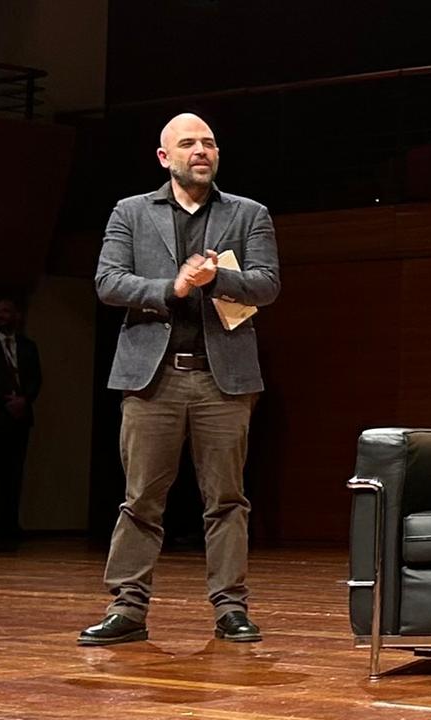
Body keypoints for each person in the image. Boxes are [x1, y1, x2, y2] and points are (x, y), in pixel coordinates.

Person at [79, 113, 280, 646]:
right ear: (164, 157)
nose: (201, 151)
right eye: (188, 143)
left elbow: (266, 284)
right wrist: (173, 286)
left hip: (224, 380)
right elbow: (108, 281)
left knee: (227, 499)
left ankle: (231, 608)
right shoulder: (131, 212)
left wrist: (216, 278)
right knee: (141, 497)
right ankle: (127, 607)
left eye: (209, 143)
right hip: (152, 379)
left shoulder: (249, 213)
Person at [0, 297, 42, 551]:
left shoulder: (28, 346)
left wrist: (24, 400)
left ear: (16, 315)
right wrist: (4, 400)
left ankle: (9, 526)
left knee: (14, 474)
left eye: (6, 311)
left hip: (20, 418)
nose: (1, 315)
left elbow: (37, 377)